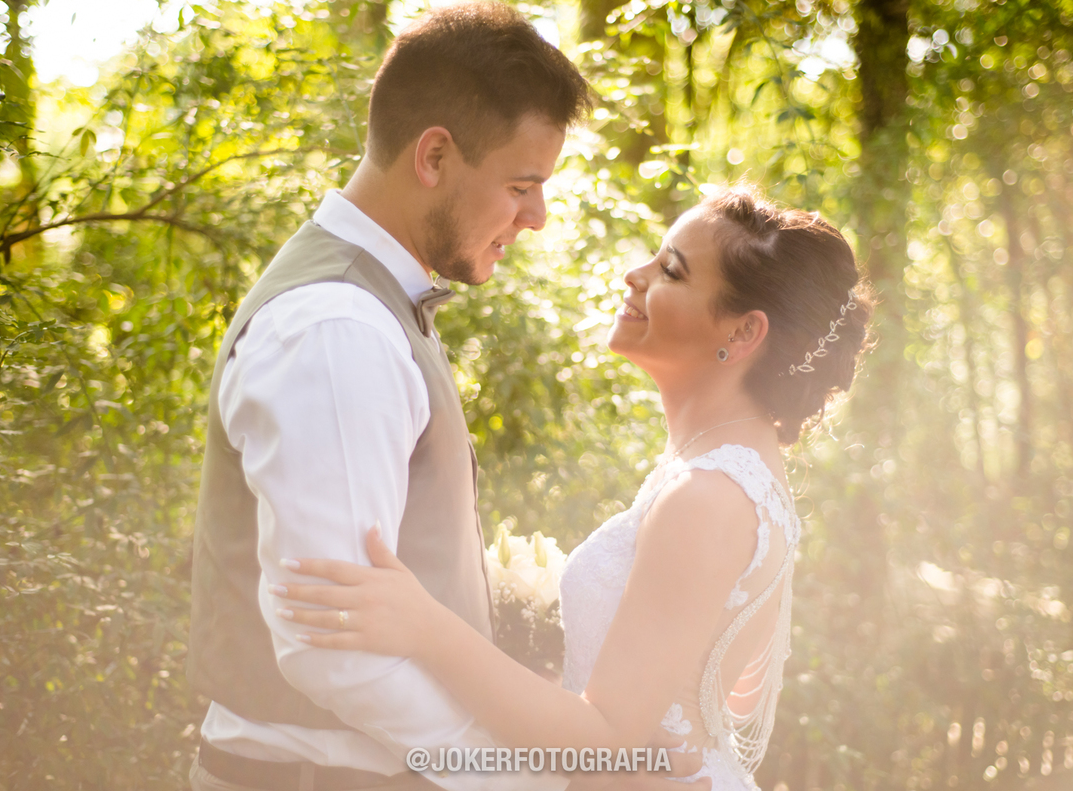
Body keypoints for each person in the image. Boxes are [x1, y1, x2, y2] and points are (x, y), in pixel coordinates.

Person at [187, 1, 700, 791]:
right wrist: (539, 779)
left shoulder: (370, 308)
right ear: (433, 157)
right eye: (521, 184)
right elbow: (333, 649)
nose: (537, 216)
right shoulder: (336, 329)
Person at [272, 185, 875, 790]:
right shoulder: (726, 471)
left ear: (744, 334)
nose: (635, 276)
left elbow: (606, 738)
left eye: (670, 271)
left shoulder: (709, 495)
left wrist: (424, 625)